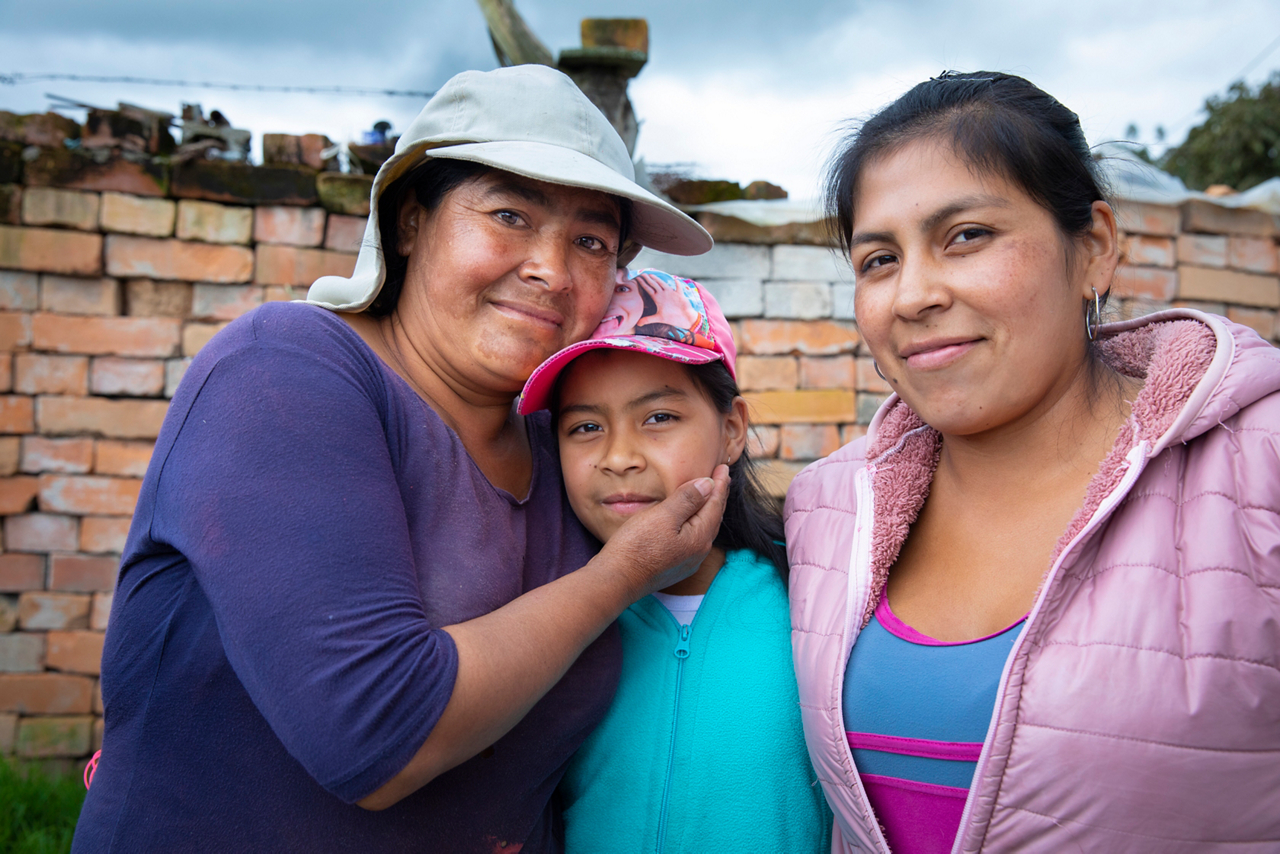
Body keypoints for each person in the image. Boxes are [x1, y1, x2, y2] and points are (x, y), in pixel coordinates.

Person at [74, 66, 728, 853]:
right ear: (411, 222)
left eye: (591, 241)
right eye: (510, 215)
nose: (551, 270)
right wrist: (619, 574)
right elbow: (378, 733)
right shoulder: (284, 372)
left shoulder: (568, 443)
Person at [785, 71, 1280, 853]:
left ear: (1094, 249)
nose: (912, 294)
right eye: (879, 260)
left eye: (967, 236)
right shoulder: (825, 511)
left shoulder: (1257, 470)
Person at [517, 268, 832, 853]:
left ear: (732, 430)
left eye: (658, 417)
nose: (618, 456)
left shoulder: (816, 602)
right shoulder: (545, 617)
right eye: (585, 426)